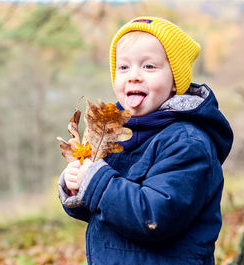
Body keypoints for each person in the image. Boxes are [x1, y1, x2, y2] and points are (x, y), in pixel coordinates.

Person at [58, 16, 233, 265]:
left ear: (175, 81)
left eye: (149, 67)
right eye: (123, 67)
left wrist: (96, 181)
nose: (134, 76)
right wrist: (77, 185)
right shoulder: (113, 133)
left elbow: (154, 216)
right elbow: (106, 208)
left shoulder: (187, 143)